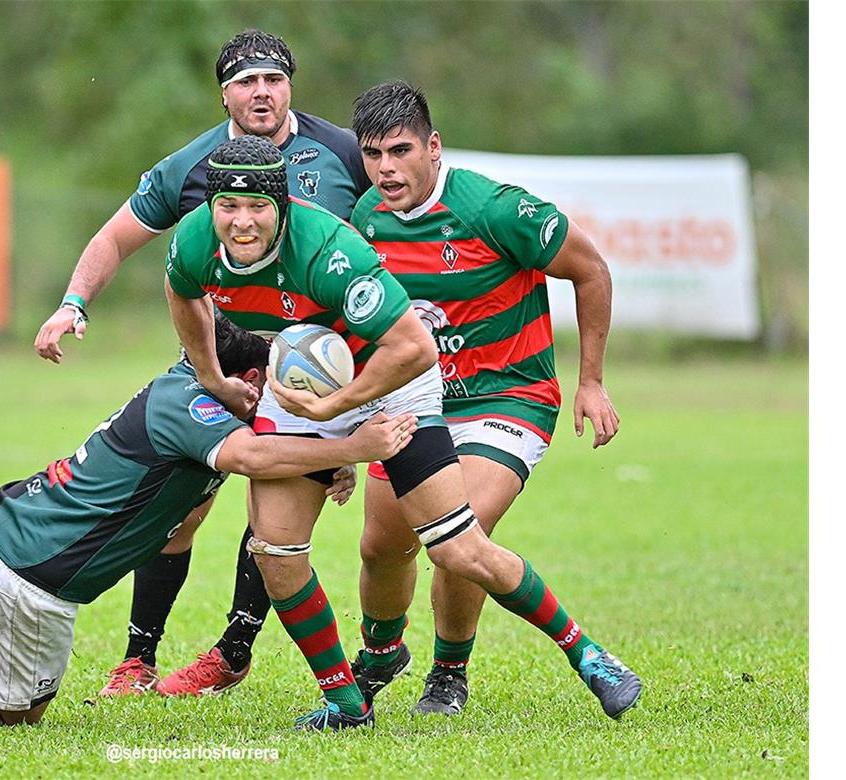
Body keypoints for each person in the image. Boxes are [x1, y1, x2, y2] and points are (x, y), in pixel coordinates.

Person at [165, 133, 641, 730]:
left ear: (282, 204)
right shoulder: (192, 242)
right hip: (307, 385)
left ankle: (590, 656)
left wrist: (342, 412)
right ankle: (345, 702)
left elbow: (414, 349)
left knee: (457, 548)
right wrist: (213, 376)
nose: (241, 221)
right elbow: (183, 296)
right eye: (228, 207)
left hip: (394, 381)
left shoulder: (330, 250)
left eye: (257, 206)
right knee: (276, 552)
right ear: (210, 209)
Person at [0, 318, 417, 731]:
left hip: (2, 525)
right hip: (34, 580)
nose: (275, 402)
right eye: (268, 388)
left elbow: (270, 450)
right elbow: (249, 453)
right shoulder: (200, 413)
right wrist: (353, 448)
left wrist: (323, 460)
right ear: (240, 376)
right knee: (12, 713)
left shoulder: (184, 387)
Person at [33, 29, 372, 699]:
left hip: (311, 371)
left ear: (290, 86)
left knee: (271, 511)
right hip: (219, 364)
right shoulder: (192, 165)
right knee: (178, 510)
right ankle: (138, 658)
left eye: (272, 79)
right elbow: (115, 235)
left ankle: (234, 650)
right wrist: (73, 303)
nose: (261, 92)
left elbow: (390, 227)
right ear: (225, 93)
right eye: (246, 82)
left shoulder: (342, 153)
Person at [343, 80, 631, 718]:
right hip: (414, 403)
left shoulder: (494, 209)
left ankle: (448, 674)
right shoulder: (365, 218)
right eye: (373, 155)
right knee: (381, 546)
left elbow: (592, 269)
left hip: (508, 396)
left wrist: (591, 380)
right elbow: (366, 330)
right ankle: (382, 655)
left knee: (459, 533)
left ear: (434, 147)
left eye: (401, 150)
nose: (387, 169)